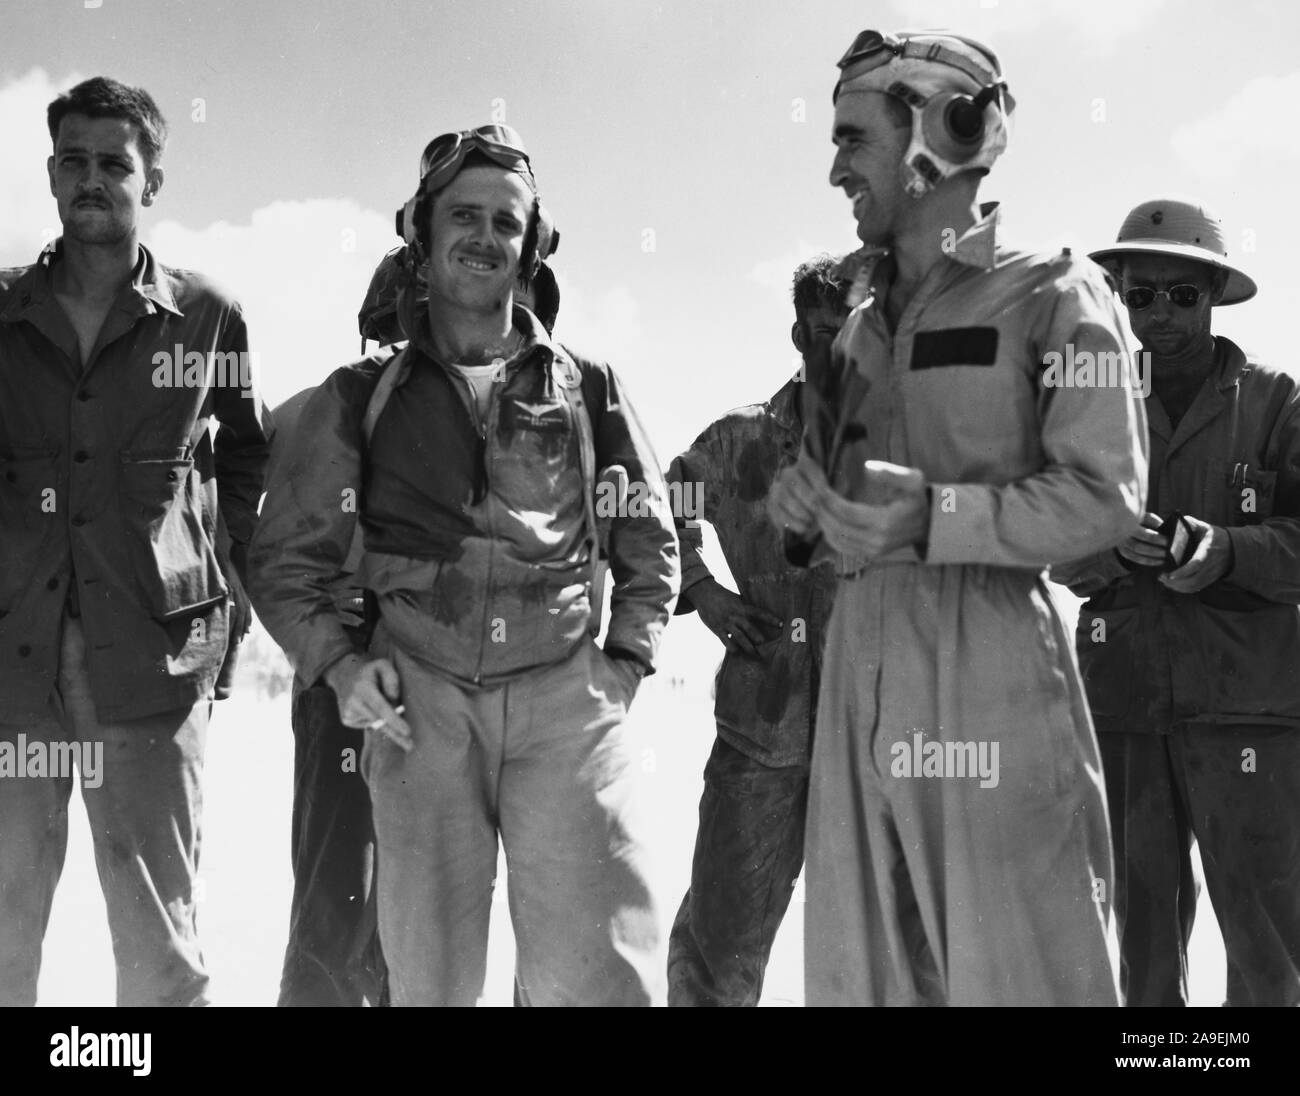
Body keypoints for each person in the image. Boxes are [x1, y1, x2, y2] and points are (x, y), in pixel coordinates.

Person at [248, 124, 678, 1006]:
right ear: (423, 231)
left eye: (506, 223)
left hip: (565, 701)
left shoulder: (587, 385)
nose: (485, 237)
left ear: (532, 245)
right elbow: (287, 559)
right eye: (464, 215)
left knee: (597, 976)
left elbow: (646, 537)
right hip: (422, 708)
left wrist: (624, 665)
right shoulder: (357, 398)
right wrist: (336, 664)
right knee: (429, 978)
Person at [767, 28, 1148, 1006]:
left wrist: (936, 519)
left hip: (989, 674)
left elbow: (1107, 498)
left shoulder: (1057, 290)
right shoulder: (855, 325)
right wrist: (810, 505)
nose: (833, 168)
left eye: (854, 140)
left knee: (1025, 979)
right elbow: (848, 494)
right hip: (858, 674)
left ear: (941, 128)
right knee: (864, 980)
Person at [0, 77, 270, 1006]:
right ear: (49, 174)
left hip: (152, 668)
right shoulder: (0, 312)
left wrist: (221, 592)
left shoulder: (206, 318)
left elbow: (249, 456)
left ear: (150, 180)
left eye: (115, 163)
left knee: (160, 943)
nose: (92, 179)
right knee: (2, 925)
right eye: (73, 160)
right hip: (11, 673)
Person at [271, 246, 562, 1010]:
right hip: (362, 684)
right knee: (345, 899)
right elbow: (274, 560)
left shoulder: (546, 422)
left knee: (437, 908)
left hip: (472, 690)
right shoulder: (324, 411)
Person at [1053, 196, 1300, 1007]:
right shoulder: (1088, 408)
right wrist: (1107, 545)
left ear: (1213, 295)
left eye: (1181, 294)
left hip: (1249, 714)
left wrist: (1230, 550)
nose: (1160, 313)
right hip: (1124, 709)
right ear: (1119, 294)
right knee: (1144, 939)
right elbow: (1047, 539)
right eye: (1142, 294)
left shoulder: (1275, 401)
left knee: (1270, 945)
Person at [665, 255, 847, 1006]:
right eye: (822, 333)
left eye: (854, 334)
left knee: (892, 960)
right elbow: (658, 498)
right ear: (798, 333)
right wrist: (701, 589)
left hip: (872, 739)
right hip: (759, 732)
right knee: (720, 943)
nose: (835, 351)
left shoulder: (906, 450)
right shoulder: (742, 439)